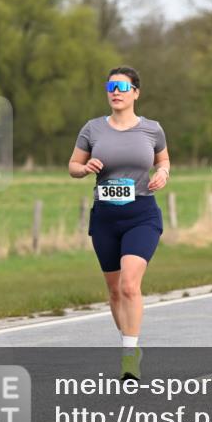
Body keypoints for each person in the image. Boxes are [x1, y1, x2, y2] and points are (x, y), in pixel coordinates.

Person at [69, 66, 169, 381]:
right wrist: (85, 169)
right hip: (105, 217)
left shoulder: (152, 129)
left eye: (122, 87)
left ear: (136, 93)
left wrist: (163, 173)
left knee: (129, 285)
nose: (115, 92)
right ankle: (129, 344)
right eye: (110, 86)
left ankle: (129, 356)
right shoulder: (93, 129)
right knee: (114, 291)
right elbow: (73, 165)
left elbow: (163, 160)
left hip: (141, 214)